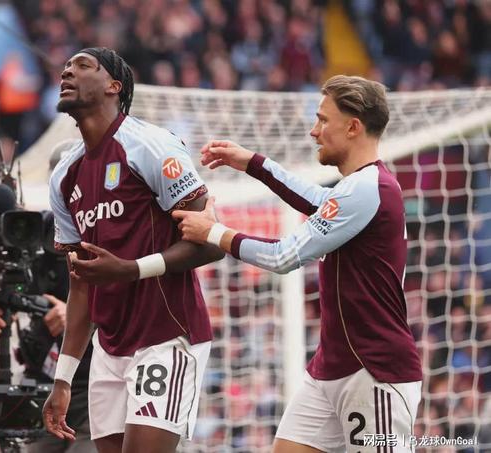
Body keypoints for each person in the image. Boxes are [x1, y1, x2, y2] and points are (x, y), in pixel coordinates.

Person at [172, 75, 423, 452]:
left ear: (353, 127)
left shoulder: (369, 186)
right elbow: (315, 200)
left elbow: (284, 256)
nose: (313, 131)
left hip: (375, 371)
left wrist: (213, 232)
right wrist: (252, 163)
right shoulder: (359, 186)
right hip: (333, 367)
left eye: (323, 120)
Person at [43, 47, 224, 453]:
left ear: (114, 86)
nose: (67, 72)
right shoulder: (63, 176)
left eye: (82, 66)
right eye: (66, 67)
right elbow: (81, 285)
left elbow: (212, 242)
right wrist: (63, 378)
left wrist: (130, 269)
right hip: (109, 349)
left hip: (167, 336)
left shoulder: (151, 145)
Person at [0, 210, 96, 453]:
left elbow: (128, 302)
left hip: (92, 386)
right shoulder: (32, 234)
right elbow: (8, 292)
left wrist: (78, 316)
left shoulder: (101, 232)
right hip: (43, 386)